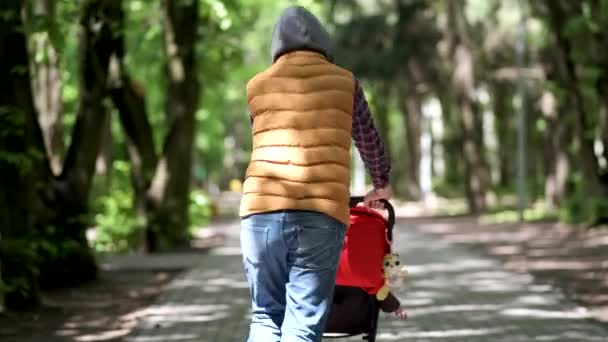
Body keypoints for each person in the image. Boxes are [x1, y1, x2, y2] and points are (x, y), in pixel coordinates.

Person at [239, 6, 392, 342]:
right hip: (319, 213)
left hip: (260, 211)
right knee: (302, 321)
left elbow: (260, 141)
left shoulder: (257, 85)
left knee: (265, 316)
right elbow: (367, 136)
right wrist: (381, 182)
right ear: (324, 42)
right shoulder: (344, 81)